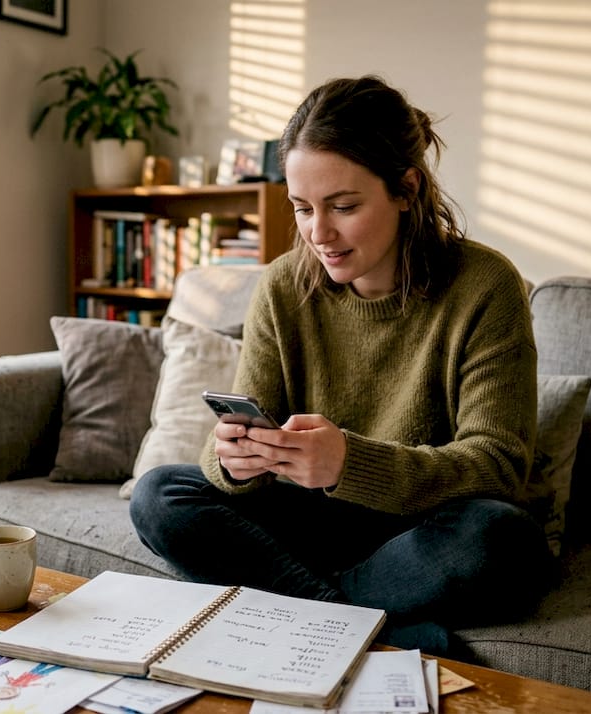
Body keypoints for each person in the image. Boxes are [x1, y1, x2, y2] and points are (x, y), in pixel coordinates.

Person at [129, 75, 553, 659]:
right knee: (158, 495)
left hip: (419, 527)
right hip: (310, 522)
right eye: (303, 208)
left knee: (500, 537)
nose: (319, 233)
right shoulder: (282, 286)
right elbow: (242, 442)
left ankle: (296, 614)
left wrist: (350, 462)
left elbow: (498, 464)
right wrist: (232, 458)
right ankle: (368, 630)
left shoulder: (485, 285)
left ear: (405, 189)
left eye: (344, 206)